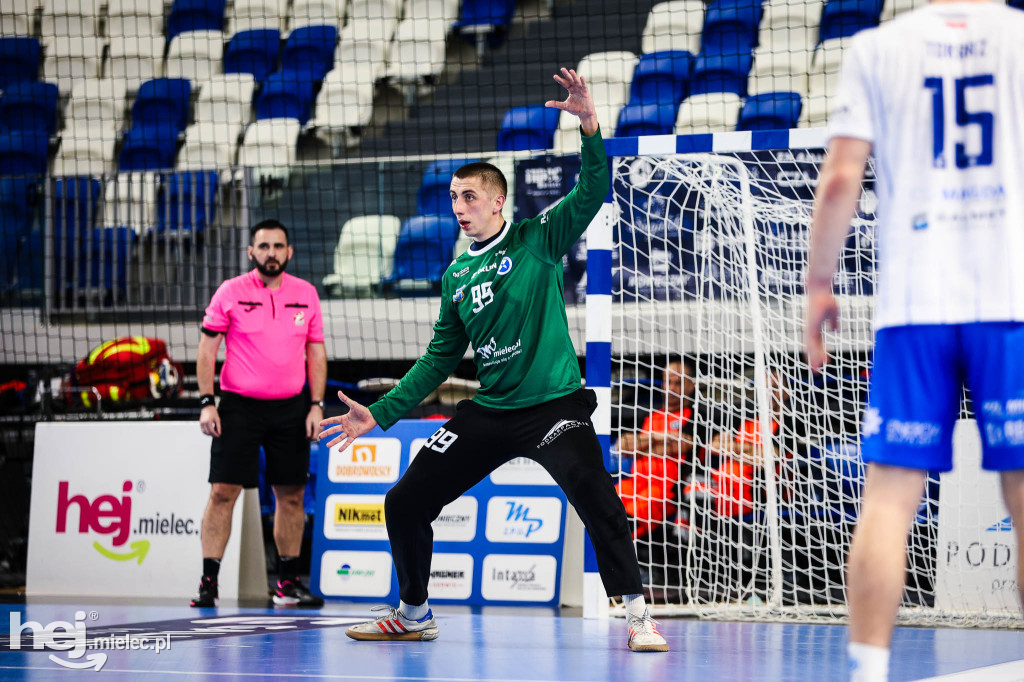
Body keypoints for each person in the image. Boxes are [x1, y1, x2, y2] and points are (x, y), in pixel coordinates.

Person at [319, 68, 669, 653]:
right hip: (491, 412)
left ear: (497, 202)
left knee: (599, 499)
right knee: (405, 501)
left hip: (553, 406)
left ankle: (637, 618)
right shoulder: (455, 274)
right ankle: (413, 612)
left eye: (469, 197)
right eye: (453, 198)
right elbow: (437, 361)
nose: (459, 206)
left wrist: (587, 125)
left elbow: (590, 192)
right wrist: (377, 415)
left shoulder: (536, 238)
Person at [804, 2, 1024, 679]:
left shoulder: (878, 47)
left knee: (889, 500)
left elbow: (841, 177)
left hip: (913, 308)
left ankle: (868, 670)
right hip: (1009, 300)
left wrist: (818, 284)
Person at [190, 218, 327, 609]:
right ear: (252, 252)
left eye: (278, 246)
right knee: (222, 492)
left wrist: (315, 405)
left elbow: (315, 351)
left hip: (292, 408)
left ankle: (286, 585)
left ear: (289, 252)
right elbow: (206, 349)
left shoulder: (306, 294)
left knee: (292, 496)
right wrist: (206, 401)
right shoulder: (231, 291)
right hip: (239, 407)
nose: (271, 253)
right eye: (263, 247)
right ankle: (208, 584)